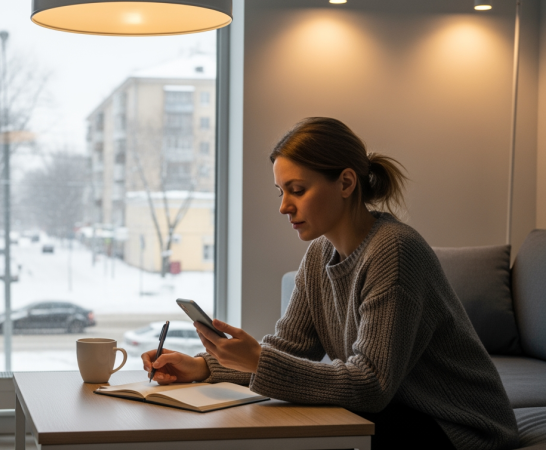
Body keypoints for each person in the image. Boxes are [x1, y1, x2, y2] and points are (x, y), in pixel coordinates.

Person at [142, 117, 519, 450]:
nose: (284, 206)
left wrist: (256, 359)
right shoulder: (320, 254)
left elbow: (370, 385)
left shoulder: (395, 252)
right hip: (397, 409)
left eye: (297, 190)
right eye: (281, 191)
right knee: (270, 417)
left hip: (460, 425)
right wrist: (203, 367)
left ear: (346, 183)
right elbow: (291, 349)